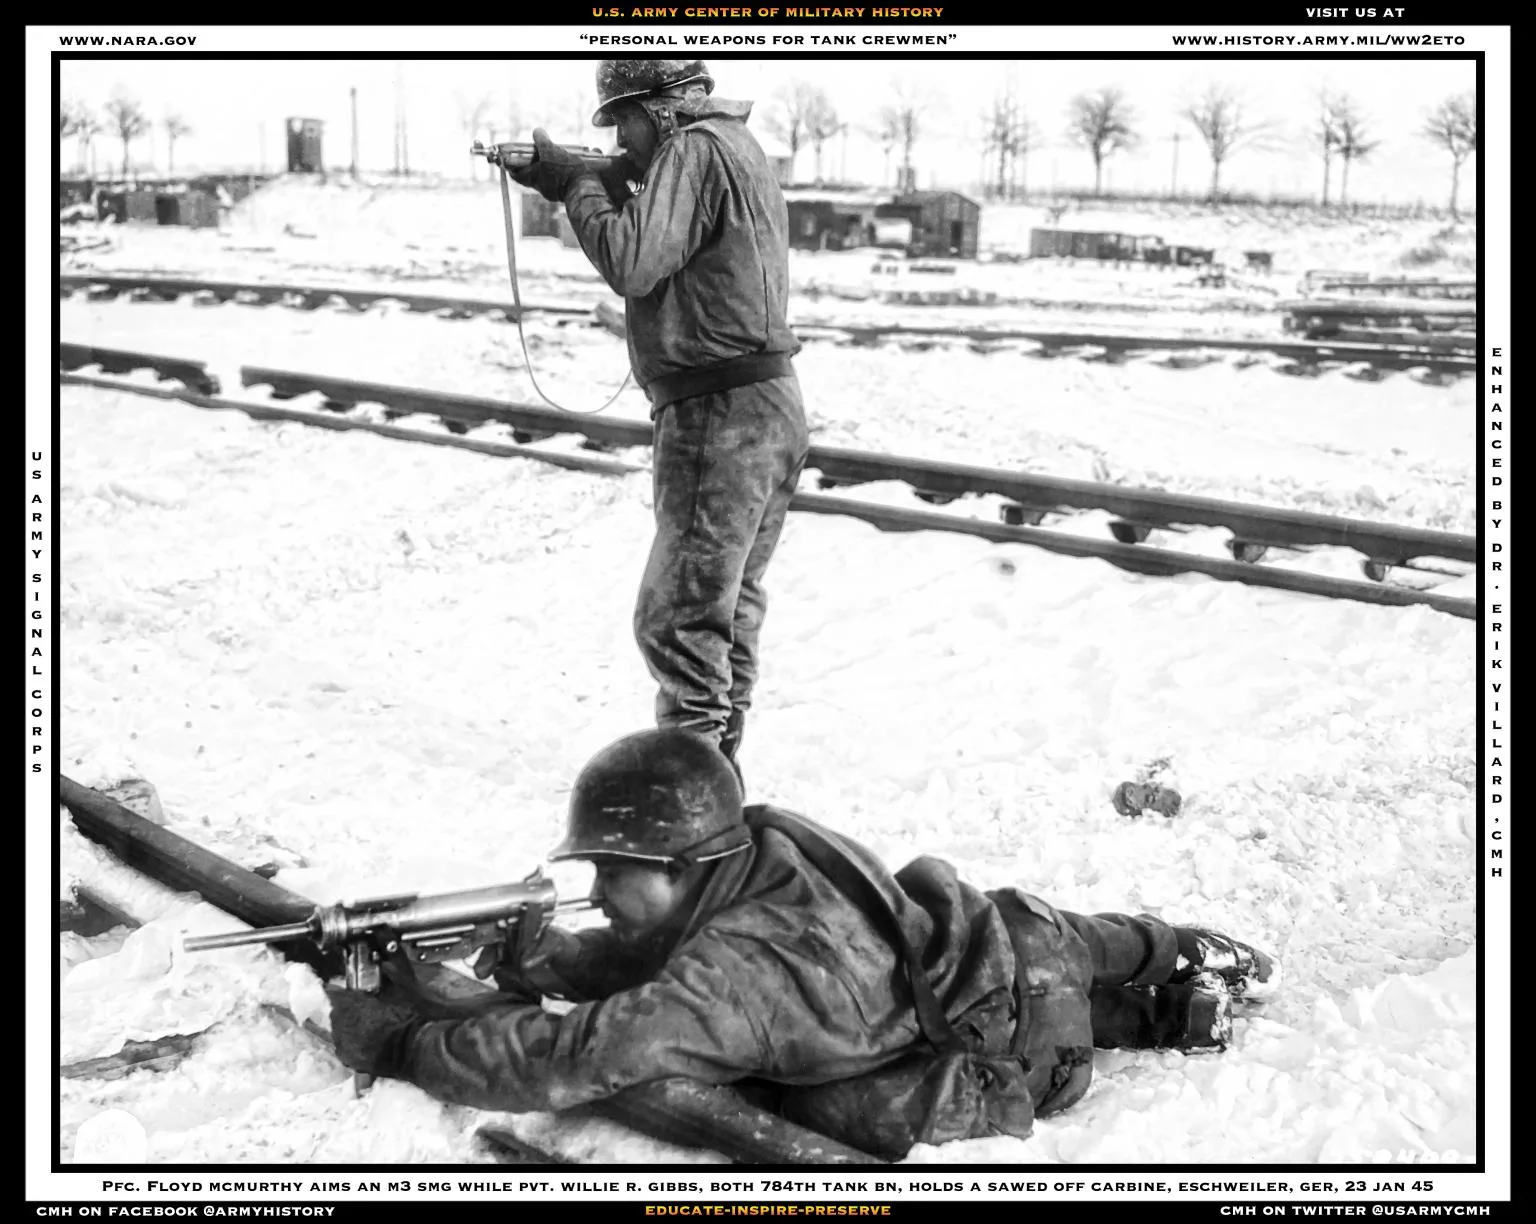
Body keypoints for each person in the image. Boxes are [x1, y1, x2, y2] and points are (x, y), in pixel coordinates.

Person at [328, 730, 1279, 1159]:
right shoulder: (766, 843)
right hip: (1013, 943)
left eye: (615, 870)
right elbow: (676, 959)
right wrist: (553, 960)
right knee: (1062, 943)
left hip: (1013, 1060)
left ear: (685, 863)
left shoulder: (735, 977)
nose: (599, 892)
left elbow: (576, 1056)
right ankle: (1176, 967)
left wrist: (407, 1045)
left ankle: (1165, 1011)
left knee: (830, 1096)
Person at [506, 60, 811, 780]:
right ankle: (716, 779)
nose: (623, 141)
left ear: (661, 108)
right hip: (766, 404)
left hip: (717, 415)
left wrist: (577, 185)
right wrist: (580, 176)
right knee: (723, 613)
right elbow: (659, 213)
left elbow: (632, 259)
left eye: (624, 123)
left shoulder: (692, 149)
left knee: (678, 619)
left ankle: (690, 797)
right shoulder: (732, 145)